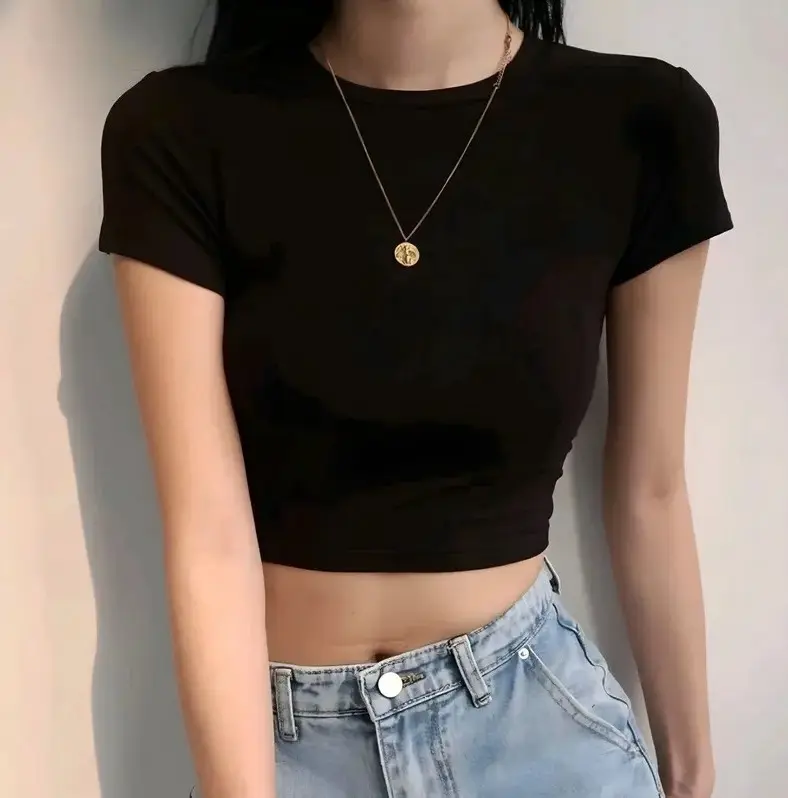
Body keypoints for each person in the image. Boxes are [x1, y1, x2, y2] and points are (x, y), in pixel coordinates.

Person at [98, 0, 733, 795]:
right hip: (282, 750)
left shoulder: (642, 122)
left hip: (539, 729)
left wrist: (692, 774)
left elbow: (652, 488)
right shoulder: (179, 130)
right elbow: (206, 533)